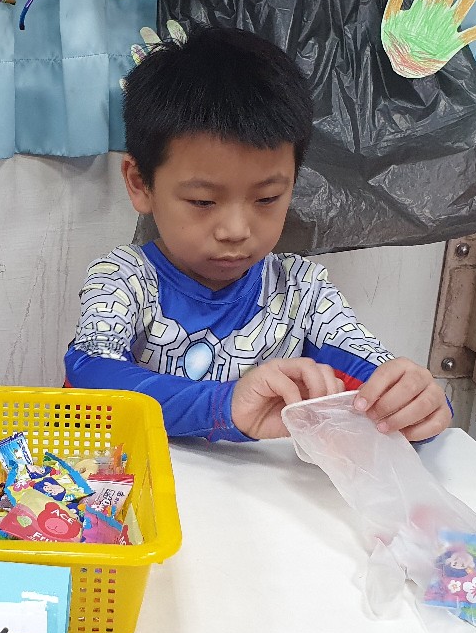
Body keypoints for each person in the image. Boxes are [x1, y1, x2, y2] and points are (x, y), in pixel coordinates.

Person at [65, 25, 452, 443]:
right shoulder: (124, 279)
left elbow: (376, 381)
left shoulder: (302, 293)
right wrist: (224, 406)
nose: (235, 230)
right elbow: (88, 381)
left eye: (266, 198)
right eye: (202, 201)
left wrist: (419, 404)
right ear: (141, 183)